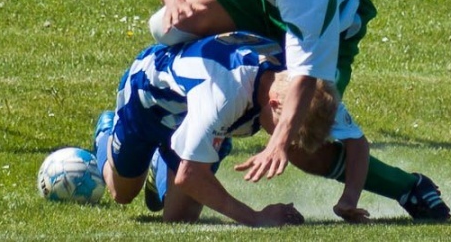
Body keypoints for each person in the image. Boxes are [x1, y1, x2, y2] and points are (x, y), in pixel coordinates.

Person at [141, 0, 450, 220]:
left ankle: (407, 187)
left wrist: (279, 142)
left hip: (330, 26)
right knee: (167, 25)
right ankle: (181, 119)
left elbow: (306, 78)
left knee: (300, 138)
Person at [92, 31, 341, 226]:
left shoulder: (305, 84)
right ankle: (106, 131)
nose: (282, 141)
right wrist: (256, 218)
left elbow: (350, 135)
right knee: (122, 193)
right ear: (274, 103)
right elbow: (190, 175)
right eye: (285, 131)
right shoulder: (224, 96)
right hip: (148, 102)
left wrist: (349, 197)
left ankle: (167, 157)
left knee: (179, 219)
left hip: (199, 115)